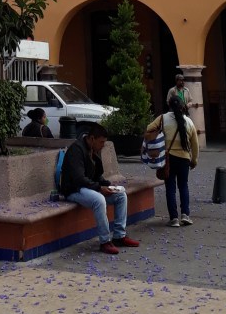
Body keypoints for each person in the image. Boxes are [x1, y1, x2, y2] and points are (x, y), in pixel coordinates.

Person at [59, 122, 140, 255]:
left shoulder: (93, 150)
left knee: (121, 195)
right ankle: (105, 241)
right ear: (92, 139)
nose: (103, 145)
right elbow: (79, 179)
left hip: (88, 187)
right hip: (74, 190)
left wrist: (107, 184)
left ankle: (119, 236)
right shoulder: (76, 150)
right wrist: (99, 188)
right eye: (101, 142)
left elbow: (96, 175)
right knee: (99, 200)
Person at [145, 95, 199, 226]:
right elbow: (195, 144)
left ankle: (174, 218)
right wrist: (194, 160)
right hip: (184, 159)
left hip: (168, 158)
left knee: (170, 188)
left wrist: (161, 132)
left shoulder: (162, 118)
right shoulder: (188, 121)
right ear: (182, 106)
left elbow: (149, 129)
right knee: (183, 186)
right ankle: (185, 215)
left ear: (169, 105)